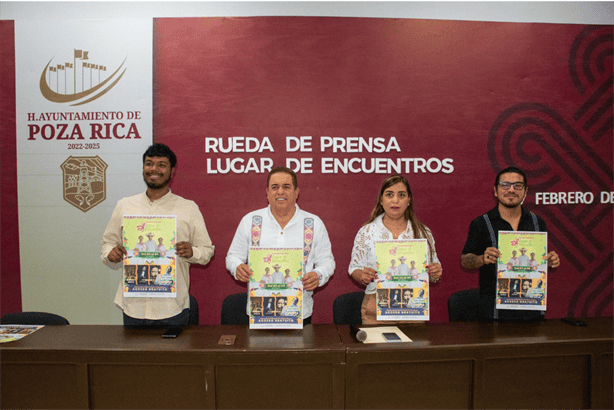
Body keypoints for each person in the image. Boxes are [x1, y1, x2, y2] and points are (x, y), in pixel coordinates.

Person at [101, 143, 214, 326]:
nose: (154, 169)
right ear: (143, 167)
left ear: (172, 171)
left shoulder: (188, 208)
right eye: (149, 163)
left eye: (162, 164)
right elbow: (107, 244)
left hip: (172, 307)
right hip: (133, 306)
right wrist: (111, 254)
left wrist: (192, 252)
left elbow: (207, 251)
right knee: (133, 356)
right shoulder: (124, 205)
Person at [225, 166, 335, 325]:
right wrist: (237, 268)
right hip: (260, 312)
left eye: (286, 187)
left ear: (296, 192)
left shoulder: (313, 224)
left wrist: (318, 275)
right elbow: (232, 257)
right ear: (267, 193)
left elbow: (328, 262)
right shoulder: (250, 221)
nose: (280, 192)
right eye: (274, 187)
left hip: (299, 312)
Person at [461, 166, 560, 322]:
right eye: (505, 185)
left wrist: (550, 260)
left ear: (525, 191)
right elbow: (465, 260)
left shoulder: (537, 222)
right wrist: (482, 259)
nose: (511, 190)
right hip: (493, 313)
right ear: (495, 190)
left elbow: (538, 262)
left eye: (518, 186)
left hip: (531, 309)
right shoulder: (481, 223)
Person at [348, 175, 442, 324]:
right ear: (381, 199)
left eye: (402, 195)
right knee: (378, 347)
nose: (395, 200)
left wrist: (435, 272)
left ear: (409, 200)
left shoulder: (423, 232)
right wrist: (362, 275)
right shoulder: (367, 232)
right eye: (390, 194)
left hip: (412, 305)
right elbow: (354, 268)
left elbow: (433, 273)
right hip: (376, 306)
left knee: (412, 347)